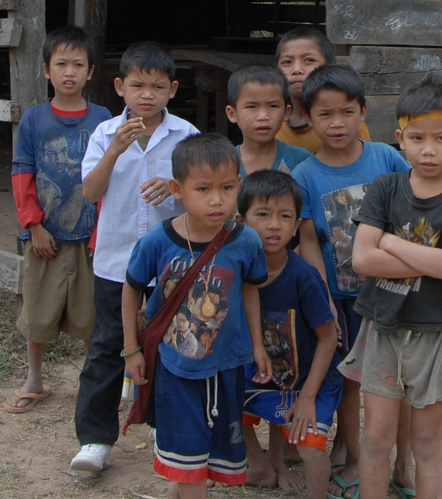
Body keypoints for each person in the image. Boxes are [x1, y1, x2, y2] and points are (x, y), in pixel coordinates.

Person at [346, 78, 442, 499]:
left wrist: (390, 241)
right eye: (417, 138)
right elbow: (362, 259)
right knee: (375, 434)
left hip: (435, 328)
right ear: (399, 140)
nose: (428, 149)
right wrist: (428, 258)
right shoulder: (385, 188)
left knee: (426, 439)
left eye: (441, 138)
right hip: (383, 325)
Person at [70, 42, 196, 476]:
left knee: (169, 344)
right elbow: (90, 192)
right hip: (115, 260)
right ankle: (94, 439)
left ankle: (166, 428)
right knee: (107, 347)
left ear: (172, 89)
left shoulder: (185, 135)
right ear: (120, 87)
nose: (148, 94)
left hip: (170, 262)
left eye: (158, 86)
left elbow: (199, 191)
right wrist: (114, 152)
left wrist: (174, 186)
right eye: (138, 85)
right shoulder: (104, 133)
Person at [123, 134, 271, 498]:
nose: (216, 199)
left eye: (226, 187)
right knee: (188, 455)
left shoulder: (246, 241)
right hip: (176, 368)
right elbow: (130, 288)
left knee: (206, 456)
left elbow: (250, 290)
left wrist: (257, 345)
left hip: (227, 364)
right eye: (203, 189)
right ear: (177, 188)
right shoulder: (157, 241)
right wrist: (131, 348)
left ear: (239, 185)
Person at [290, 63, 410, 488]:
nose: (336, 123)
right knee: (350, 379)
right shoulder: (305, 174)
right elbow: (307, 239)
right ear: (307, 115)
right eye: (324, 114)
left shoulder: (387, 158)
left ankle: (405, 462)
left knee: (400, 381)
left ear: (363, 110)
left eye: (346, 111)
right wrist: (322, 297)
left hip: (395, 292)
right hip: (343, 298)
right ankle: (356, 455)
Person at [6, 26, 112, 413]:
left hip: (90, 236)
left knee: (91, 315)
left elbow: (112, 174)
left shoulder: (103, 118)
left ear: (91, 72)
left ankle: (92, 380)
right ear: (46, 71)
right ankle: (34, 377)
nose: (70, 72)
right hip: (45, 236)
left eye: (78, 65)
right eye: (61, 64)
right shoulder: (34, 119)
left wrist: (103, 229)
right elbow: (22, 173)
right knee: (38, 309)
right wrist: (33, 225)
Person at [238, 170, 340, 498]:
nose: (274, 225)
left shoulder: (304, 278)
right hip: (261, 374)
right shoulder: (235, 271)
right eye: (263, 215)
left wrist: (308, 397)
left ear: (297, 227)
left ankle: (306, 484)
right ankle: (261, 462)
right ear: (241, 220)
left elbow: (328, 338)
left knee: (310, 451)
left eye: (285, 217)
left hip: (310, 380)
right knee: (225, 399)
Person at [274, 28, 372, 154]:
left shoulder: (350, 125)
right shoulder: (273, 126)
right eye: (287, 62)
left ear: (328, 66)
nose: (296, 69)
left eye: (309, 60)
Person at [226, 64, 311, 178]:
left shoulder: (300, 161)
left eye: (273, 106)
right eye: (252, 106)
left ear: (287, 112)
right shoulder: (223, 163)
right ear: (232, 114)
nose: (263, 116)